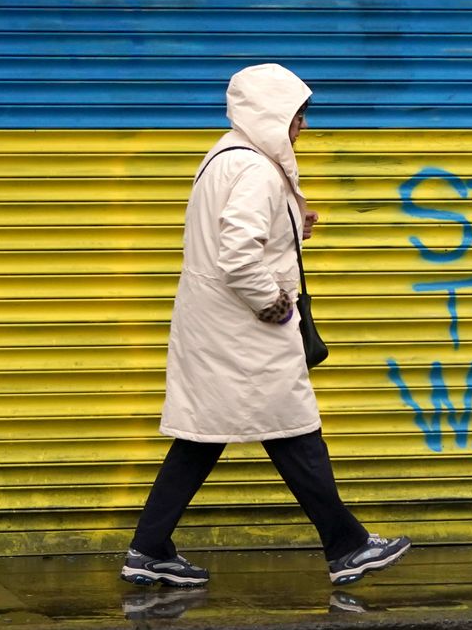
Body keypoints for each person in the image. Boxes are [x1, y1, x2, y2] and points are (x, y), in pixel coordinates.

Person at [119, 63, 409, 588]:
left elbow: (236, 231)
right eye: (296, 116)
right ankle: (347, 546)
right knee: (295, 431)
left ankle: (149, 548)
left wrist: (294, 223)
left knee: (203, 436)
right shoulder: (253, 168)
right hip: (245, 329)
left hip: (217, 327)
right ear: (272, 115)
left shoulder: (224, 155)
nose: (302, 126)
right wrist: (272, 301)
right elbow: (236, 254)